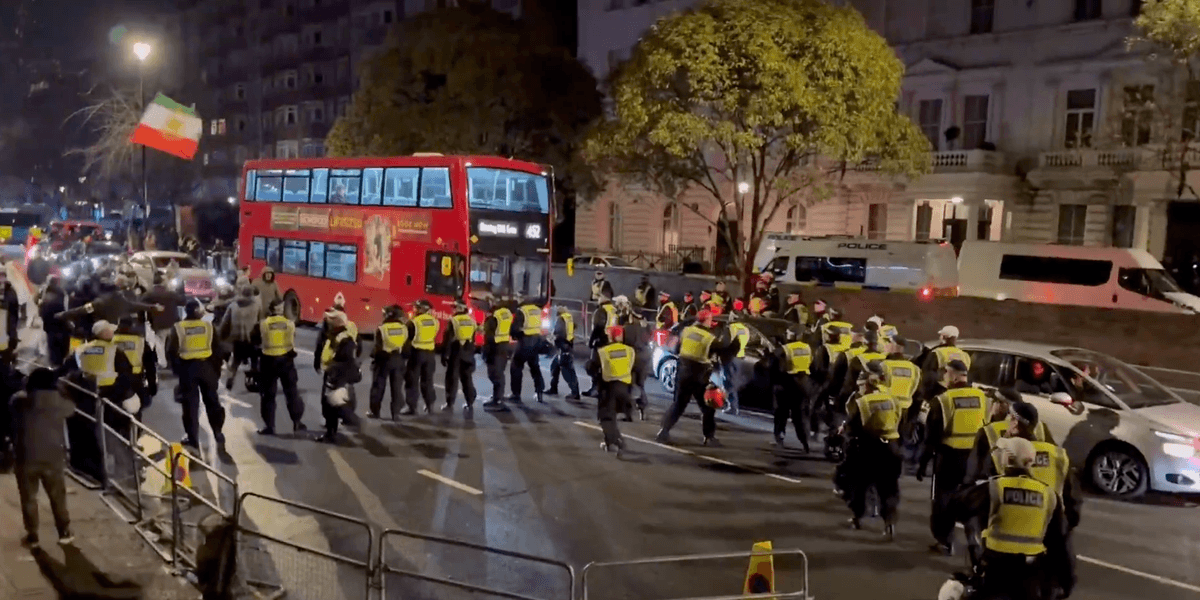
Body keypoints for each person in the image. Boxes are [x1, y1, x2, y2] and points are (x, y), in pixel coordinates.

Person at [947, 436, 1072, 600]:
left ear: (1008, 458)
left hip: (995, 571)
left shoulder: (994, 487)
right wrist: (1066, 582)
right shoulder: (1049, 495)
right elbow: (1060, 544)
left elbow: (954, 506)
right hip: (1031, 576)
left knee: (951, 592)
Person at [919, 359, 987, 555]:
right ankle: (973, 538)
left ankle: (945, 541)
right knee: (969, 499)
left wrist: (923, 463)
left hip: (948, 457)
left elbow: (931, 436)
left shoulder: (943, 400)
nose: (944, 377)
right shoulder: (981, 397)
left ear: (956, 376)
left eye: (947, 373)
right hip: (973, 458)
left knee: (942, 500)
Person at [10, 368, 77, 548]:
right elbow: (72, 408)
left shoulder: (19, 400)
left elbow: (12, 415)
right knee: (57, 496)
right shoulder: (59, 402)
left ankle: (33, 535)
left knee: (29, 497)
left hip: (25, 456)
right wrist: (61, 388)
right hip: (52, 456)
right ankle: (64, 531)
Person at [838, 360, 903, 541]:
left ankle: (857, 518)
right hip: (892, 448)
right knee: (889, 489)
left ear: (866, 384)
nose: (859, 389)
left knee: (860, 486)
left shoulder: (863, 403)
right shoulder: (893, 399)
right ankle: (889, 525)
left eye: (860, 386)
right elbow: (900, 422)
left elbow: (853, 428)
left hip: (869, 450)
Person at [655, 309, 729, 446]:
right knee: (707, 407)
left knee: (678, 404)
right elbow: (723, 348)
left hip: (682, 371)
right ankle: (709, 437)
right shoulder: (709, 338)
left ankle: (663, 431)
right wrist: (729, 332)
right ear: (707, 321)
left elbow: (676, 349)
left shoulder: (686, 331)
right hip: (699, 375)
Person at [165, 300, 226, 450]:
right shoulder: (208, 326)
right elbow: (217, 350)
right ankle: (218, 431)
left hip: (187, 369)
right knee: (212, 402)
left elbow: (171, 351)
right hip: (206, 367)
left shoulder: (178, 328)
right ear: (198, 312)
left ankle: (193, 439)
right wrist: (216, 372)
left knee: (190, 407)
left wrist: (178, 371)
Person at [252, 299, 306, 434]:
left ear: (271, 310)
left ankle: (270, 426)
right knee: (292, 393)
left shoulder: (262, 324)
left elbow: (254, 341)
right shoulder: (290, 324)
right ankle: (297, 423)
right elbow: (292, 339)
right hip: (286, 361)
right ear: (282, 309)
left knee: (268, 396)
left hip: (268, 361)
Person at [586, 325, 636, 456]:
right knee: (612, 417)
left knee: (606, 417)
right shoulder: (630, 350)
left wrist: (594, 375)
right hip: (625, 387)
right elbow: (634, 367)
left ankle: (617, 441)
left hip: (608, 388)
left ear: (610, 336)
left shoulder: (603, 351)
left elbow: (591, 368)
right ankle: (609, 442)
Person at [317, 310, 360, 443]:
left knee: (333, 403)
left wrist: (333, 369)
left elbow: (345, 359)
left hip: (338, 376)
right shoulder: (335, 335)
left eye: (330, 321)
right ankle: (331, 432)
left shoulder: (344, 339)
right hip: (332, 373)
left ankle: (351, 421)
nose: (327, 324)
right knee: (329, 404)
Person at [771, 326, 812, 452]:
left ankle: (779, 438)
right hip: (804, 384)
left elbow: (775, 368)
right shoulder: (808, 348)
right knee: (800, 415)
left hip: (786, 384)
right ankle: (805, 442)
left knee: (781, 413)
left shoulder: (784, 349)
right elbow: (813, 364)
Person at [113, 316, 157, 422]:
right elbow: (150, 365)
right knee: (136, 409)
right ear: (132, 326)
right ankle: (134, 431)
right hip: (135, 380)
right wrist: (152, 386)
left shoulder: (110, 340)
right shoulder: (140, 341)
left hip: (114, 380)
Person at [368, 305, 407, 420]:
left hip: (383, 361)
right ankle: (395, 414)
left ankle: (375, 412)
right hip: (398, 360)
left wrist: (373, 357)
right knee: (396, 388)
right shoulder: (403, 328)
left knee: (378, 387)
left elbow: (377, 348)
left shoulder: (382, 329)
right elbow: (406, 347)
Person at [219, 285, 261, 391]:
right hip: (252, 337)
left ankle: (230, 378)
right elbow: (261, 321)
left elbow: (225, 322)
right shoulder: (256, 306)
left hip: (237, 338)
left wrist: (221, 336)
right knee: (254, 360)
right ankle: (253, 380)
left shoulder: (233, 305)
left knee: (235, 361)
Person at [141, 272, 186, 368]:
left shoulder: (149, 294)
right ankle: (175, 362)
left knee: (159, 342)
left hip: (158, 324)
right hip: (173, 323)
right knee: (174, 343)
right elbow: (182, 301)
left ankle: (162, 362)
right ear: (163, 281)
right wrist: (181, 289)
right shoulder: (171, 293)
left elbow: (140, 304)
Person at [618, 297, 652, 420]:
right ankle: (643, 410)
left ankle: (628, 414)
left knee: (629, 385)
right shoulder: (646, 326)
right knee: (641, 385)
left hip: (632, 358)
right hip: (645, 357)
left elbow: (623, 342)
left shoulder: (628, 328)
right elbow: (649, 339)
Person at [441, 300, 478, 412]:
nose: (453, 310)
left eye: (455, 307)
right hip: (468, 350)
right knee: (467, 377)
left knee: (452, 378)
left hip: (456, 351)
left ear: (461, 309)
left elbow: (448, 339)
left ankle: (449, 403)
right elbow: (474, 337)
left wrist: (445, 355)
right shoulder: (471, 321)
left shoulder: (454, 321)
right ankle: (470, 401)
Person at [509, 296, 546, 404]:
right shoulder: (537, 310)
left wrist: (514, 335)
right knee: (535, 367)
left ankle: (516, 394)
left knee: (516, 366)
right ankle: (539, 392)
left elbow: (515, 329)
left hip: (524, 342)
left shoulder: (522, 311)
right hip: (536, 341)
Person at [404, 299, 439, 414]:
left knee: (412, 381)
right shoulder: (435, 321)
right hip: (430, 354)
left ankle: (411, 407)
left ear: (421, 309)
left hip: (416, 354)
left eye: (415, 307)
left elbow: (407, 340)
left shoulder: (414, 322)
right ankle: (430, 406)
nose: (413, 310)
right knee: (428, 381)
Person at [921, 325, 972, 402]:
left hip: (940, 393)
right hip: (960, 395)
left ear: (944, 337)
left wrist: (926, 397)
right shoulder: (965, 355)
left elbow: (928, 378)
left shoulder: (937, 353)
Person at [583, 292, 619, 397]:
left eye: (599, 297)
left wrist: (591, 341)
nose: (597, 299)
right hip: (611, 341)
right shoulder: (613, 310)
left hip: (601, 341)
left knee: (593, 366)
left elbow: (598, 327)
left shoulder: (600, 311)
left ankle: (595, 389)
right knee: (605, 367)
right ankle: (604, 389)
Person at [481, 299, 514, 411]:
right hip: (505, 346)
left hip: (495, 348)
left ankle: (498, 401)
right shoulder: (507, 314)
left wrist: (485, 351)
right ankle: (497, 397)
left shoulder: (493, 318)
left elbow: (489, 337)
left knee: (494, 374)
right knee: (499, 373)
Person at [546, 305, 581, 400]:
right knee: (554, 366)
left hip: (564, 348)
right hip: (568, 345)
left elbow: (558, 332)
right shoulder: (569, 317)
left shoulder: (561, 319)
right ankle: (553, 388)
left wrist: (553, 338)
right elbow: (574, 327)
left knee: (568, 371)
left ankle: (575, 393)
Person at [721, 314, 751, 415]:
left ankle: (732, 407)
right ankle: (733, 405)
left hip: (730, 357)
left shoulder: (730, 328)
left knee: (729, 382)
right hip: (740, 356)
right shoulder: (745, 329)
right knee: (734, 382)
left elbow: (725, 343)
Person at [38, 275, 70, 367]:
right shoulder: (62, 293)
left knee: (52, 347)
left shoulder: (45, 292)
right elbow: (65, 309)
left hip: (49, 325)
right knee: (61, 348)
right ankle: (60, 366)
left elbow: (40, 305)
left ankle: (53, 366)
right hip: (60, 324)